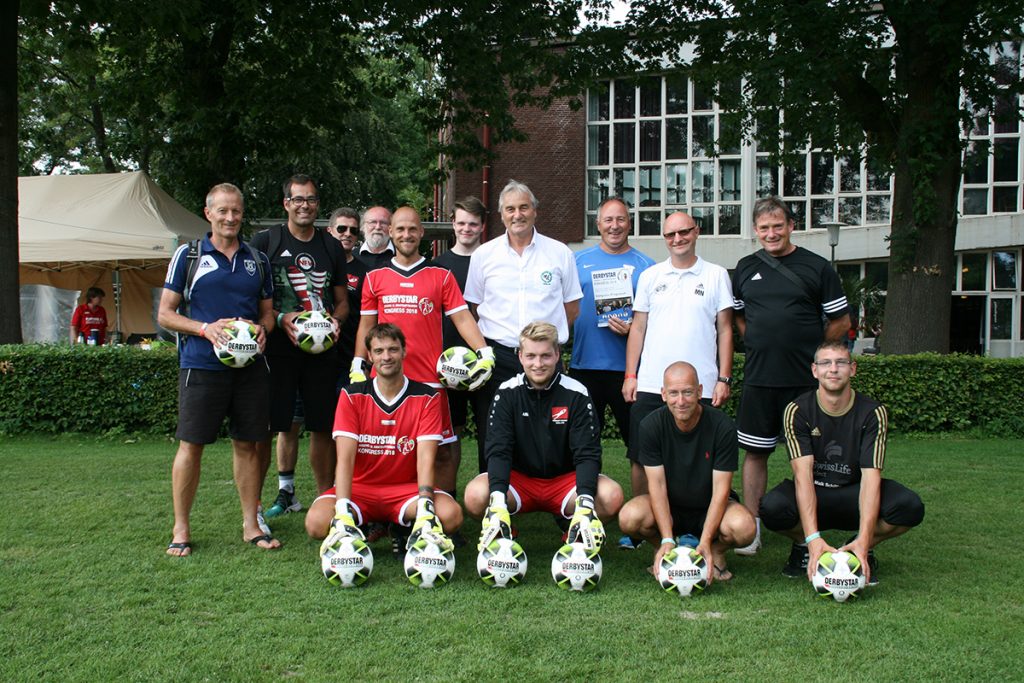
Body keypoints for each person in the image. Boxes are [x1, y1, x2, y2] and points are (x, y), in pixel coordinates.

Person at [351, 206, 493, 552]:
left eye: (412, 229)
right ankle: (392, 522)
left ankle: (439, 521)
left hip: (430, 385)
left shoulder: (440, 276)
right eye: (399, 229)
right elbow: (366, 326)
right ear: (391, 233)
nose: (406, 234)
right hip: (385, 386)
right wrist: (358, 362)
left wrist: (483, 351)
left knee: (442, 456)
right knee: (388, 454)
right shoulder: (375, 277)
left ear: (421, 234)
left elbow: (461, 317)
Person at [157, 183, 275, 556]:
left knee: (248, 445)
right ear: (208, 213)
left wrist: (262, 329)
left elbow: (268, 313)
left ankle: (250, 524)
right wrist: (204, 329)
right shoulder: (188, 255)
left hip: (250, 368)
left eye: (236, 211)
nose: (230, 218)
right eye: (223, 211)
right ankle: (181, 528)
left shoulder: (257, 259)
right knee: (191, 446)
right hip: (201, 366)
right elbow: (165, 314)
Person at [731, 196, 851, 555]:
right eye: (764, 228)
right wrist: (753, 339)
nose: (771, 233)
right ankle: (751, 529)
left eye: (777, 226)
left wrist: (815, 353)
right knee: (755, 453)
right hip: (759, 378)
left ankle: (813, 527)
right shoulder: (744, 267)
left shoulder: (817, 267)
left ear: (791, 226)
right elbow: (737, 317)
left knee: (811, 457)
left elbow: (841, 322)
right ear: (755, 231)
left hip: (803, 382)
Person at [760, 341, 924, 584]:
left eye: (841, 363)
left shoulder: (873, 412)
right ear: (815, 370)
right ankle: (805, 546)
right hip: (815, 490)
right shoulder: (797, 410)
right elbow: (803, 478)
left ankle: (859, 547)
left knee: (909, 507)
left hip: (853, 492)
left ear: (853, 369)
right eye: (825, 363)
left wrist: (866, 538)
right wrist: (813, 537)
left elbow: (871, 478)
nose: (833, 369)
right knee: (771, 508)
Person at [464, 322, 623, 552]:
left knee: (612, 496)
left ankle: (573, 531)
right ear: (520, 356)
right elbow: (499, 450)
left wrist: (585, 502)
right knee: (475, 495)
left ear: (557, 355)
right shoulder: (506, 392)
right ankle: (505, 530)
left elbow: (587, 454)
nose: (538, 364)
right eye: (531, 356)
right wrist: (498, 501)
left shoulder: (576, 393)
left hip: (564, 482)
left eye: (545, 356)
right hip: (520, 481)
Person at [306, 323, 463, 557]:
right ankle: (361, 524)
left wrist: (426, 509)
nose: (386, 357)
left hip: (406, 491)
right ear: (369, 356)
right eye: (379, 351)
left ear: (404, 351)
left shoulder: (427, 397)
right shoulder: (352, 395)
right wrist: (342, 511)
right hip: (360, 489)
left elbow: (426, 459)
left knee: (451, 516)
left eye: (393, 349)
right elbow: (345, 459)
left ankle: (404, 525)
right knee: (316, 524)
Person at [463, 180, 583, 471]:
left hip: (545, 358)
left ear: (535, 212)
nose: (517, 214)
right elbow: (474, 307)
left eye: (523, 207)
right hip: (499, 357)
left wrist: (544, 344)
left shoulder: (559, 253)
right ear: (502, 215)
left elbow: (571, 307)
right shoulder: (483, 256)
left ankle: (563, 502)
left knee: (556, 428)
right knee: (493, 431)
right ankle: (494, 499)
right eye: (510, 209)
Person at [622, 212, 733, 519]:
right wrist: (631, 374)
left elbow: (725, 329)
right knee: (639, 455)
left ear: (696, 232)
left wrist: (724, 378)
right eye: (670, 235)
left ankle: (701, 520)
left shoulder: (716, 274)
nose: (677, 239)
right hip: (650, 383)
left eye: (684, 232)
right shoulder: (650, 276)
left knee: (704, 456)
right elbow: (638, 328)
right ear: (664, 238)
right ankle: (646, 523)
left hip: (702, 385)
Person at [250, 174, 347, 520]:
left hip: (322, 353)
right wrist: (279, 319)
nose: (305, 205)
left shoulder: (330, 246)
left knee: (323, 426)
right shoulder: (265, 241)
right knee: (272, 427)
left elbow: (342, 301)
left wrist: (334, 322)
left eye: (311, 199)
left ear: (317, 204)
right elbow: (252, 299)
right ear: (286, 204)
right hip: (278, 350)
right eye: (298, 199)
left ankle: (327, 503)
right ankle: (258, 506)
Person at [570, 197, 656, 549]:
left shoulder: (647, 267)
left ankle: (639, 524)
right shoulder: (577, 262)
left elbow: (655, 322)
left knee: (639, 449)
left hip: (630, 372)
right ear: (598, 223)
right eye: (608, 220)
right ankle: (579, 517)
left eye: (621, 219)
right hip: (583, 369)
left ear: (630, 223)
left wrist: (637, 327)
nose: (615, 226)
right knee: (581, 447)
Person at [618, 362, 755, 583]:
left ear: (700, 391)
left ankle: (715, 552)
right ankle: (665, 549)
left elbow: (721, 490)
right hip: (670, 508)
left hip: (709, 506)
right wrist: (666, 538)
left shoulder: (722, 426)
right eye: (673, 393)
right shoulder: (650, 426)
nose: (680, 401)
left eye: (687, 392)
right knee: (629, 517)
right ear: (663, 394)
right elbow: (657, 486)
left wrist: (707, 542)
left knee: (745, 528)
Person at [431, 197, 488, 501]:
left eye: (473, 224)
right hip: (447, 363)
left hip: (485, 362)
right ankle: (447, 496)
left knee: (489, 432)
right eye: (461, 222)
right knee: (449, 434)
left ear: (482, 226)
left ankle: (492, 497)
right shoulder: (438, 266)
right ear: (453, 224)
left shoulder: (492, 259)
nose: (467, 229)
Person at [326, 207, 367, 376]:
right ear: (329, 231)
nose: (347, 234)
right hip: (316, 352)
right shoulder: (318, 265)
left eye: (353, 230)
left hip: (350, 358)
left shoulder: (366, 272)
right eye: (341, 229)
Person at [355, 205, 395, 270]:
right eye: (373, 222)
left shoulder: (401, 256)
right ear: (362, 226)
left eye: (383, 223)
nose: (378, 227)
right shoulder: (351, 257)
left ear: (391, 227)